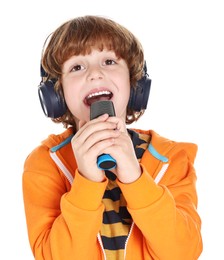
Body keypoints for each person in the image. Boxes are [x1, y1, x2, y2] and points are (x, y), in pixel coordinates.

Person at [22, 15, 203, 260]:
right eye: (77, 67)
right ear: (57, 95)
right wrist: (87, 181)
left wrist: (135, 177)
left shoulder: (171, 158)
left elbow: (183, 253)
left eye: (108, 61)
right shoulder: (45, 164)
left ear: (135, 84)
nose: (95, 74)